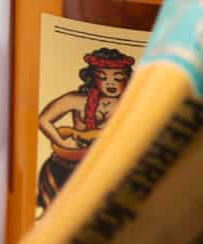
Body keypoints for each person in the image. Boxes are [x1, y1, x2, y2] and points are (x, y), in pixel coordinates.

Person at [36, 45, 135, 213]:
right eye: (103, 77)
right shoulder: (76, 100)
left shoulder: (133, 103)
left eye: (118, 77)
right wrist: (63, 143)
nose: (111, 83)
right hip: (68, 166)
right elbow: (43, 120)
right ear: (92, 78)